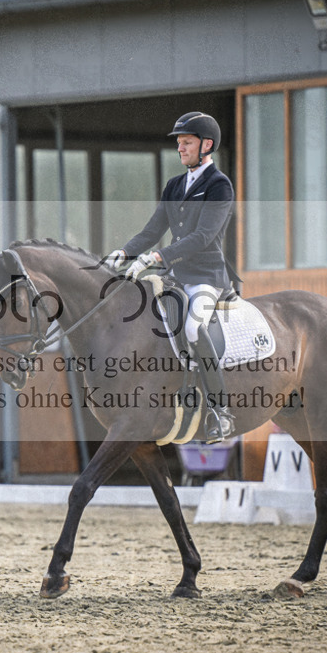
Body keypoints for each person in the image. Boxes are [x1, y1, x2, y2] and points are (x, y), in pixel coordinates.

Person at [103, 112, 238, 443]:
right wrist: (125, 252)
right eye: (179, 143)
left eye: (187, 142)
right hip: (174, 276)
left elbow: (203, 236)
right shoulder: (175, 185)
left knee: (192, 328)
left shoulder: (219, 185)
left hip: (206, 277)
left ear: (206, 145)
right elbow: (152, 230)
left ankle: (220, 412)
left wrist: (157, 257)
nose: (180, 148)